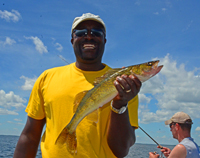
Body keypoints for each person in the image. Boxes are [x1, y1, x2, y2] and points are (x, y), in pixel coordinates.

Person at [13, 13, 142, 158]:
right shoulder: (46, 78)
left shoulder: (124, 85)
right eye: (81, 32)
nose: (88, 36)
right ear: (72, 40)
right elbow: (30, 136)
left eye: (96, 32)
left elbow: (121, 151)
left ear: (104, 40)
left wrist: (120, 104)